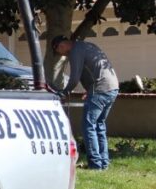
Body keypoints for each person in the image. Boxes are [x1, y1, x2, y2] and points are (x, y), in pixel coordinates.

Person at [51, 35, 119, 170]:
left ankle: (95, 164)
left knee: (89, 126)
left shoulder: (75, 51)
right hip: (112, 87)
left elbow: (75, 77)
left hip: (100, 89)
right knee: (99, 125)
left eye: (61, 52)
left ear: (61, 46)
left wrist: (63, 92)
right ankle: (103, 163)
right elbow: (90, 70)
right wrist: (89, 89)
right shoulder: (87, 46)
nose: (63, 55)